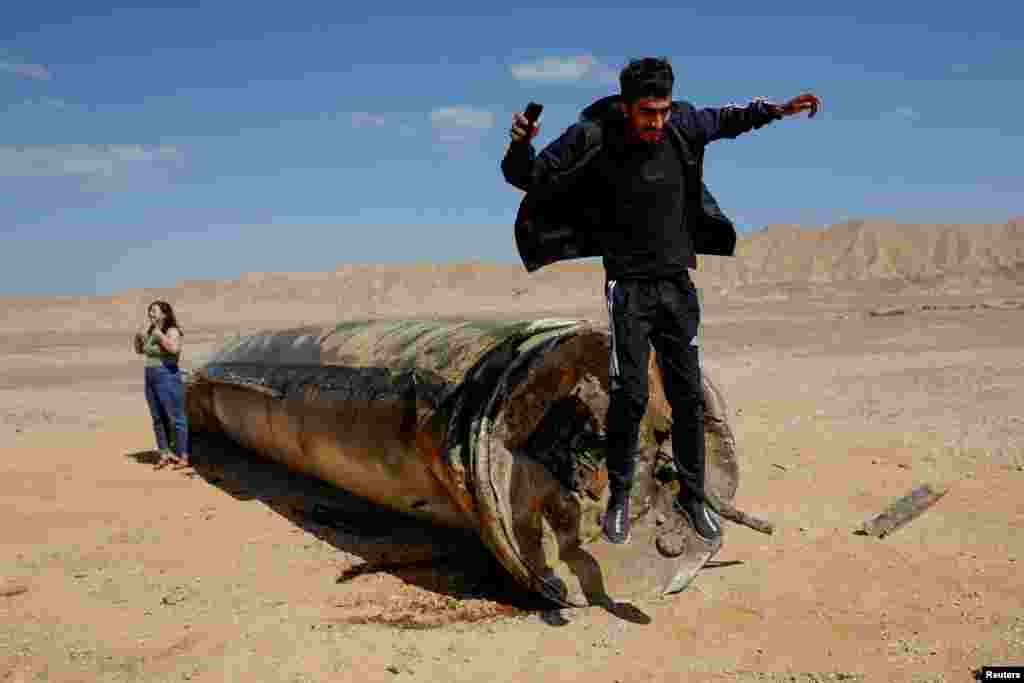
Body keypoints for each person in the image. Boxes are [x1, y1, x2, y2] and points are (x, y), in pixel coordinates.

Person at [500, 57, 820, 544]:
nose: (658, 122)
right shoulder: (594, 135)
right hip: (628, 288)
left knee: (687, 395)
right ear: (627, 106)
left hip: (677, 285)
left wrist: (779, 109)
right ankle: (621, 498)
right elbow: (530, 176)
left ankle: (694, 496)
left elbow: (729, 119)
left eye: (664, 111)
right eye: (648, 112)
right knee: (629, 395)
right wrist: (520, 142)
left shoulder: (682, 125)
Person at [133, 300, 192, 470]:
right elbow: (139, 350)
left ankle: (183, 455)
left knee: (176, 416)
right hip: (150, 376)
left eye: (154, 311)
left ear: (165, 314)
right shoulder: (151, 331)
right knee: (157, 417)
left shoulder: (171, 331)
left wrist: (160, 335)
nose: (151, 314)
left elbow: (174, 349)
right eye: (149, 311)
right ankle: (164, 453)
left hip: (167, 375)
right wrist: (138, 337)